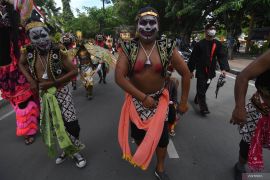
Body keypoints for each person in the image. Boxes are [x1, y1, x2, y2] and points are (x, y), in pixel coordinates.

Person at [115, 7, 190, 180]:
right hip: (136, 102)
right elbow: (119, 77)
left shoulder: (167, 47)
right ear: (137, 26)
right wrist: (142, 97)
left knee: (162, 139)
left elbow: (186, 73)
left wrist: (184, 102)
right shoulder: (128, 47)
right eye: (143, 22)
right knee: (140, 136)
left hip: (159, 103)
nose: (147, 27)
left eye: (151, 22)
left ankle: (160, 167)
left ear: (158, 26)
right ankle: (145, 151)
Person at [18, 20, 86, 168]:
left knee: (72, 125)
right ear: (29, 39)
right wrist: (30, 80)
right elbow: (20, 63)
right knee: (56, 125)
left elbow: (74, 71)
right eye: (36, 37)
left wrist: (53, 83)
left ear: (48, 34)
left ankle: (75, 151)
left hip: (62, 91)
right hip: (45, 95)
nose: (41, 40)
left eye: (44, 35)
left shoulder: (58, 51)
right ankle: (66, 150)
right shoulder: (28, 51)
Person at [0, 0, 39, 145]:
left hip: (19, 58)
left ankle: (29, 128)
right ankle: (34, 119)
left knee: (24, 99)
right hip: (4, 65)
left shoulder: (14, 5)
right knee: (15, 99)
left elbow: (27, 15)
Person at [231, 50, 270, 180]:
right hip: (260, 108)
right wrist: (239, 107)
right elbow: (243, 76)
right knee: (248, 142)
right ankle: (240, 166)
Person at [188, 24, 230, 115]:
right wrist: (190, 70)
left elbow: (222, 56)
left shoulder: (218, 44)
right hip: (201, 69)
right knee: (201, 87)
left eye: (214, 29)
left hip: (211, 70)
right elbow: (193, 58)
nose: (213, 30)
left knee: (204, 87)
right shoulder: (199, 44)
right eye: (211, 29)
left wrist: (223, 69)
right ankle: (203, 108)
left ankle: (197, 98)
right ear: (206, 31)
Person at [165, 68, 179, 137]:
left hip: (170, 102)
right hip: (160, 103)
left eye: (169, 74)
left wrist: (173, 102)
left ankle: (171, 129)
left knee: (173, 113)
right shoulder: (159, 82)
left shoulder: (173, 84)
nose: (167, 76)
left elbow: (175, 96)